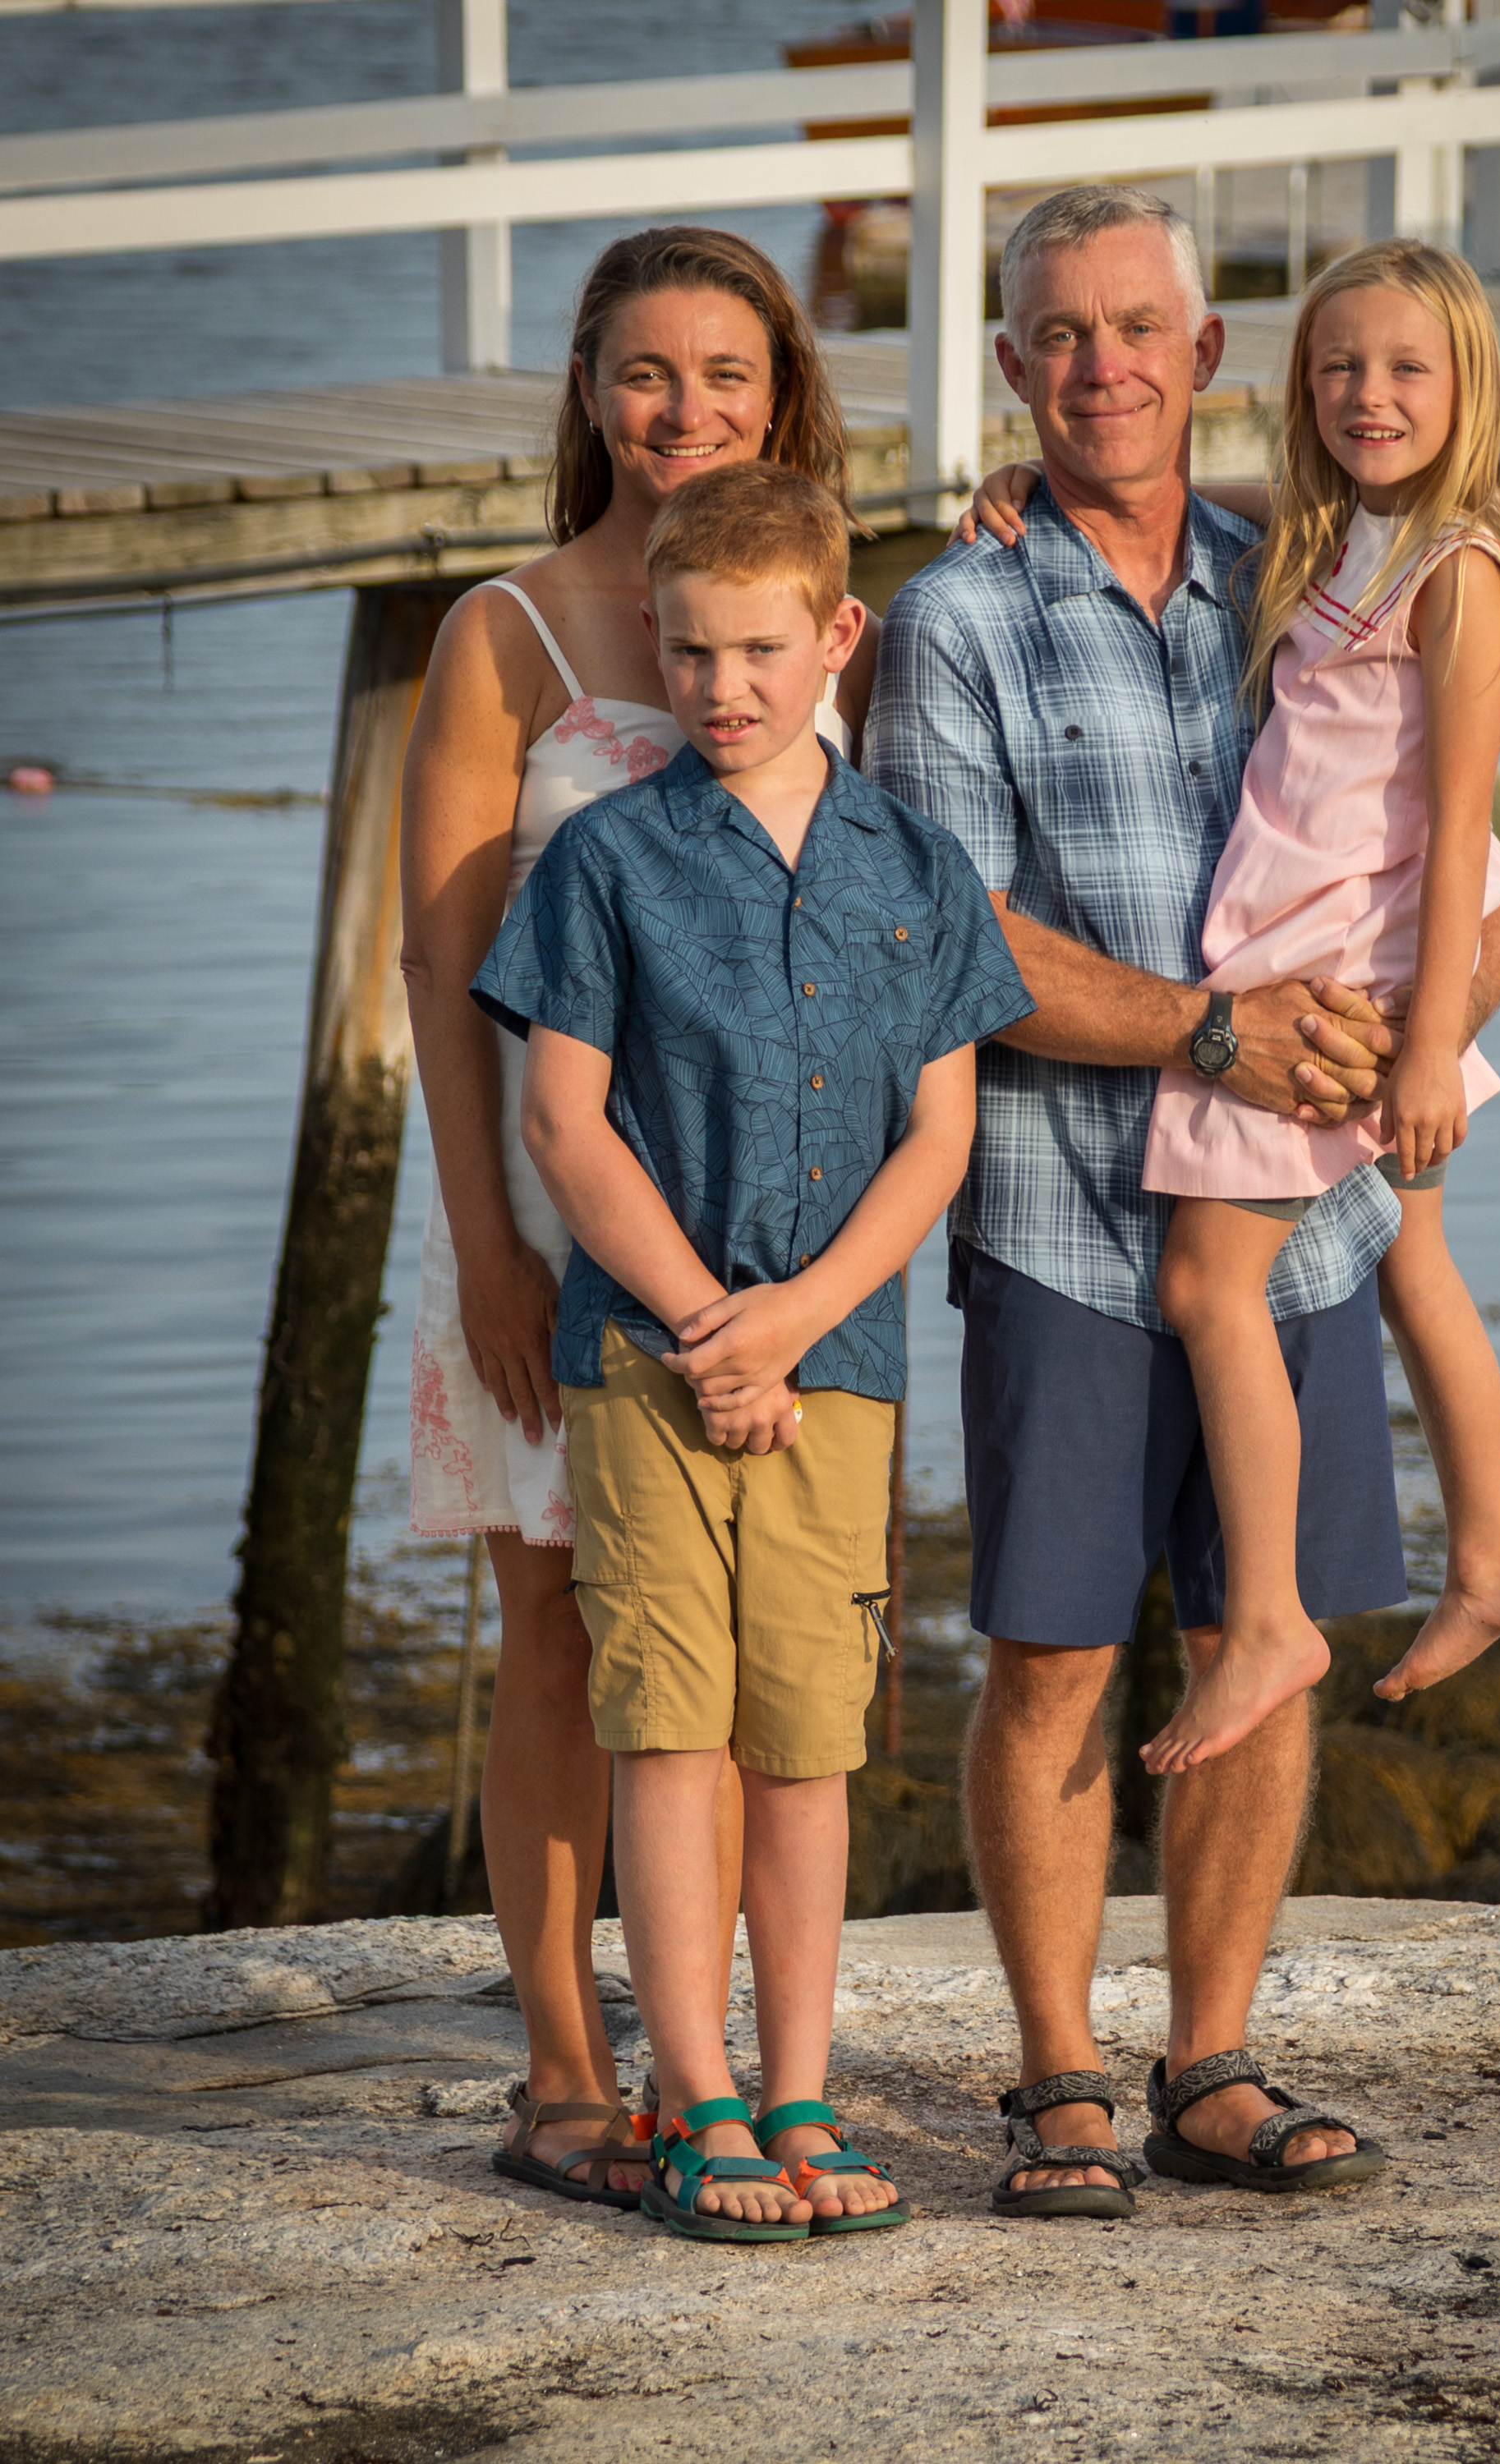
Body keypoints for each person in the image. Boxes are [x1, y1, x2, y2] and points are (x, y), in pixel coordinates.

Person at [867, 186, 1500, 2214]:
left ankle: (1210, 2061)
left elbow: (1458, 864)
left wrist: (1426, 1028)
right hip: (1064, 1204)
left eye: (1140, 329)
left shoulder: (1306, 573)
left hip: (1294, 1206)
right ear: (1012, 371)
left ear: (1207, 356)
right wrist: (1217, 1032)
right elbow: (952, 940)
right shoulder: (958, 618)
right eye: (1061, 338)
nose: (1105, 368)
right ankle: (1061, 2074)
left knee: (1273, 1618)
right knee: (1057, 1649)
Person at [472, 462, 1033, 2241]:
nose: (724, 688)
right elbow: (566, 1127)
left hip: (841, 1370)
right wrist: (713, 1325)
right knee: (665, 1730)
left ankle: (801, 2089)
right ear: (656, 636)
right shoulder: (607, 860)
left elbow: (938, 1145)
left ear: (837, 638)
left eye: (761, 651)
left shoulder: (920, 868)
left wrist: (794, 1321)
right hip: (644, 1368)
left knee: (805, 1745)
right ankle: (690, 2090)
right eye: (694, 652)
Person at [398, 226, 874, 2211]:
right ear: (589, 388)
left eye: (730, 376)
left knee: (754, 1651)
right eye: (649, 374)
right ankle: (565, 2073)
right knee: (551, 1630)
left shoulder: (810, 605)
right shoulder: (506, 632)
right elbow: (437, 968)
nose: (688, 414)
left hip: (768, 1241)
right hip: (544, 1202)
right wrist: (491, 1250)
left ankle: (731, 2075)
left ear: (785, 396)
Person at [1125, 241, 1500, 1765]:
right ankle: (1493, 1555)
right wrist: (1019, 489)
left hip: (1351, 981)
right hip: (1333, 952)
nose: (1369, 395)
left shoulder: (1461, 574)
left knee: (1204, 1289)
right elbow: (1220, 508)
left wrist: (1435, 1041)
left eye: (1407, 369)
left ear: (1468, 389)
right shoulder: (1338, 535)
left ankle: (1267, 1622)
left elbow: (1455, 832)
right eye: (1338, 367)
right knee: (1409, 1262)